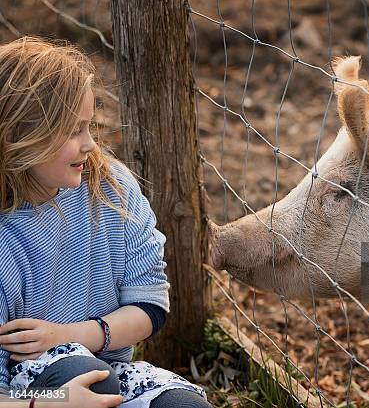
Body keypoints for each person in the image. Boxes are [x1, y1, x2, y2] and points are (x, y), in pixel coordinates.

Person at [0, 37, 212, 408]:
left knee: (182, 404)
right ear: (19, 137)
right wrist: (50, 402)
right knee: (89, 379)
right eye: (72, 131)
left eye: (89, 127)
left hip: (114, 374)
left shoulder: (111, 189)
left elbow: (150, 305)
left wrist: (67, 334)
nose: (91, 146)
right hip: (27, 396)